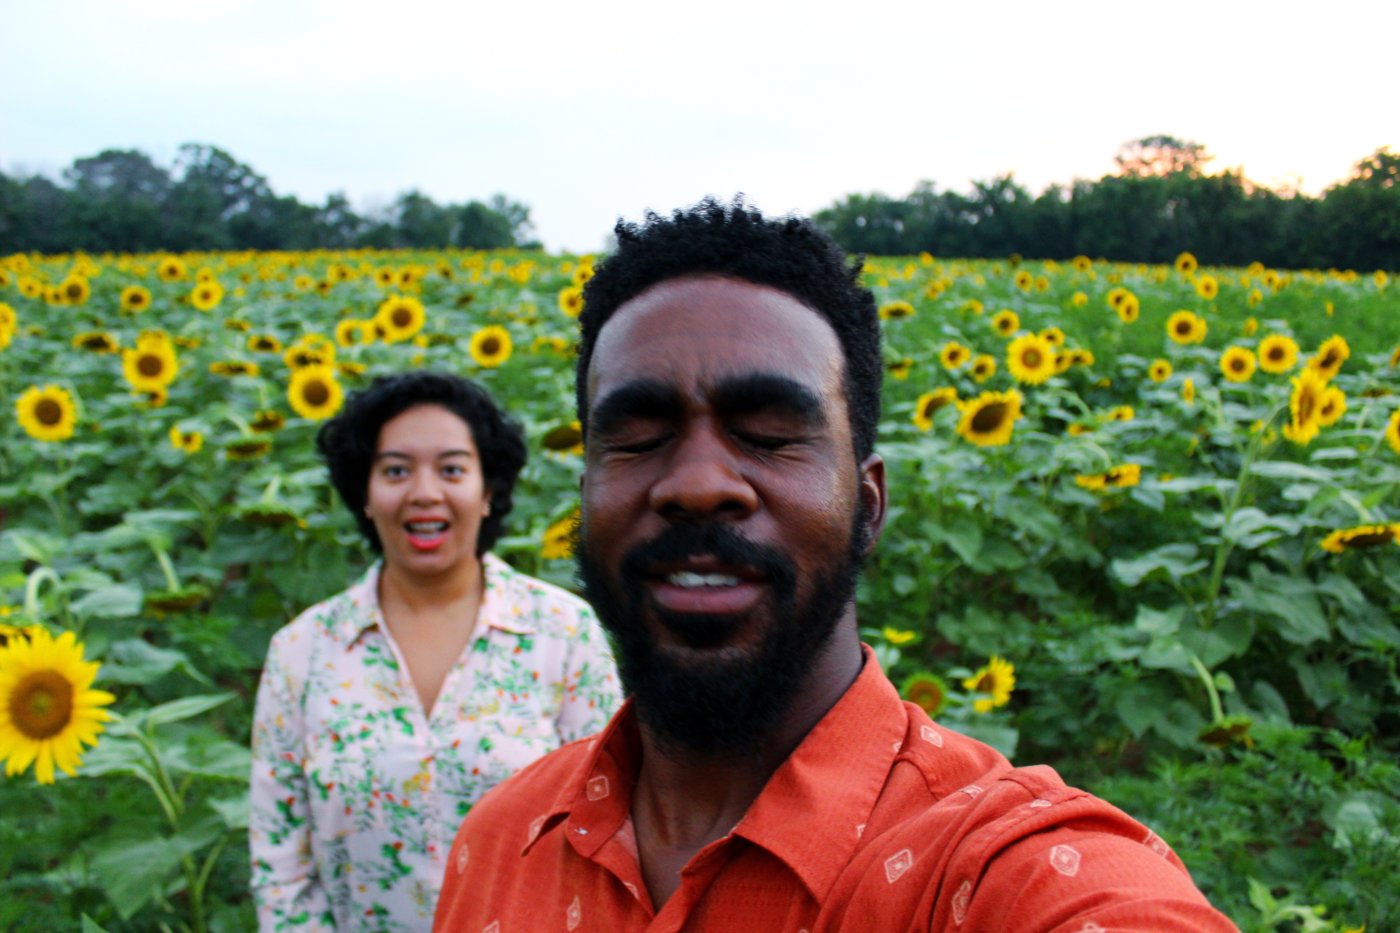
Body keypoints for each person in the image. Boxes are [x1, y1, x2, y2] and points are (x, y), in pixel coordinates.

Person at [433, 201, 1236, 931]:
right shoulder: (501, 841)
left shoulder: (987, 868)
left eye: (772, 434)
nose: (699, 483)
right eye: (638, 438)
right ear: (586, 494)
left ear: (869, 503)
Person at [250, 371, 621, 931]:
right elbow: (282, 871)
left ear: (488, 490)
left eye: (451, 469)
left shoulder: (563, 633)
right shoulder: (301, 652)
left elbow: (607, 830)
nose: (424, 493)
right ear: (365, 494)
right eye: (396, 470)